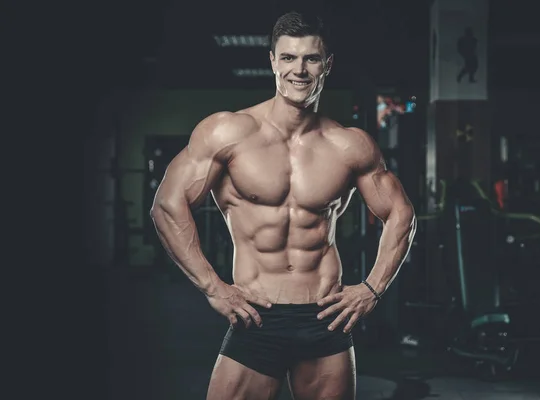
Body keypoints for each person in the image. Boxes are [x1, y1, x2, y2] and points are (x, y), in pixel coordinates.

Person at [150, 11, 416, 400]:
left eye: (310, 58)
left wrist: (372, 289)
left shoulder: (349, 145)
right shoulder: (228, 132)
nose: (299, 70)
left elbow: (401, 215)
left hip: (325, 316)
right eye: (288, 58)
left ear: (327, 65)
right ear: (272, 61)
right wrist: (213, 288)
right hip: (257, 314)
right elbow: (167, 206)